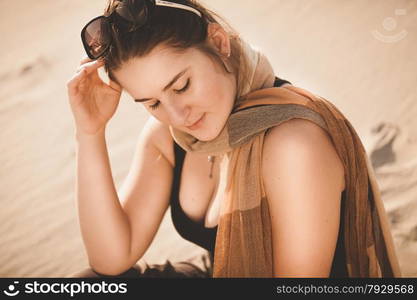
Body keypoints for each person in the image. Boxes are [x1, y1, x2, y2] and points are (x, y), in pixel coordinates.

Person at [66, 0, 401, 278]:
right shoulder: (170, 137)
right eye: (151, 103)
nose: (178, 115)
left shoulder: (294, 143)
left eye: (182, 86)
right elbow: (111, 258)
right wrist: (90, 132)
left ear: (219, 43)